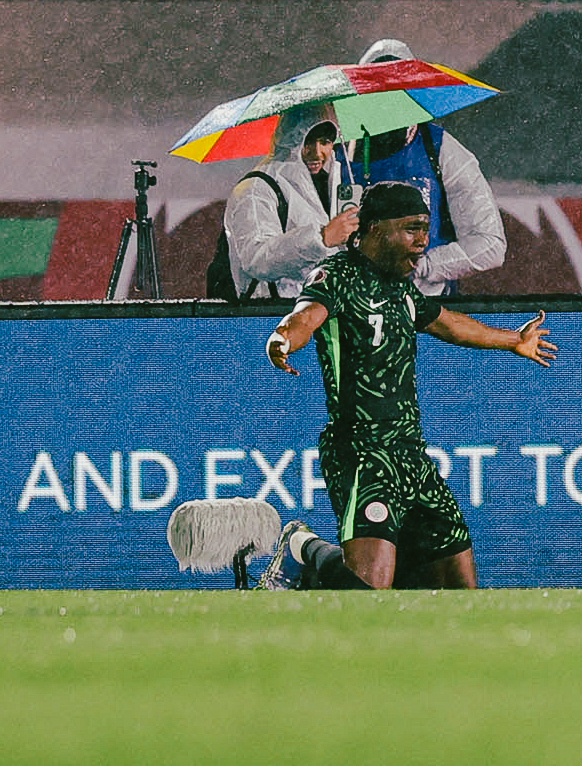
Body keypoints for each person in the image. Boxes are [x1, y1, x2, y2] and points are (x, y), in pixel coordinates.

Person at [258, 181, 556, 590]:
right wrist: (282, 339)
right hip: (362, 452)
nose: (423, 241)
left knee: (459, 592)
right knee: (366, 593)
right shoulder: (335, 276)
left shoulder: (401, 287)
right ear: (376, 228)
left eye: (425, 228)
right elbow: (306, 316)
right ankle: (304, 548)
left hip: (411, 455)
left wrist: (513, 340)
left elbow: (448, 323)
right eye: (412, 228)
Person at [343, 38, 507, 296]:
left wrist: (421, 266)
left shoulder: (442, 150)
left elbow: (489, 244)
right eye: (377, 88)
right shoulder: (334, 152)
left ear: (414, 90)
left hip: (429, 312)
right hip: (353, 308)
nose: (386, 98)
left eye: (396, 87)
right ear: (361, 93)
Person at [224, 105, 359, 299]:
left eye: (325, 142)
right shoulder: (256, 188)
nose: (317, 152)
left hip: (319, 310)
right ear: (290, 141)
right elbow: (257, 259)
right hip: (273, 314)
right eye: (308, 142)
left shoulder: (328, 184)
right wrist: (321, 238)